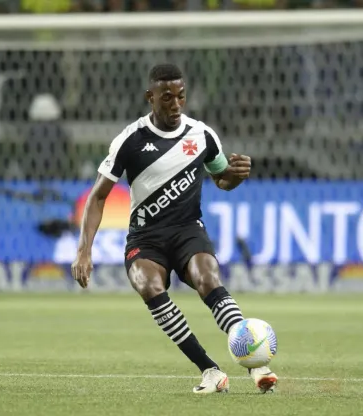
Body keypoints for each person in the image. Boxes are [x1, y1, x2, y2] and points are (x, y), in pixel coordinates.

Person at [71, 63, 278, 394]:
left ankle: (257, 363)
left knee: (208, 278)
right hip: (145, 237)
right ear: (149, 97)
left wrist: (236, 176)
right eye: (166, 97)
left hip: (187, 231)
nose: (175, 104)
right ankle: (210, 370)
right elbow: (98, 198)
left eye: (181, 96)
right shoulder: (129, 140)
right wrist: (84, 250)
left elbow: (222, 179)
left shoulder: (202, 135)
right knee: (147, 284)